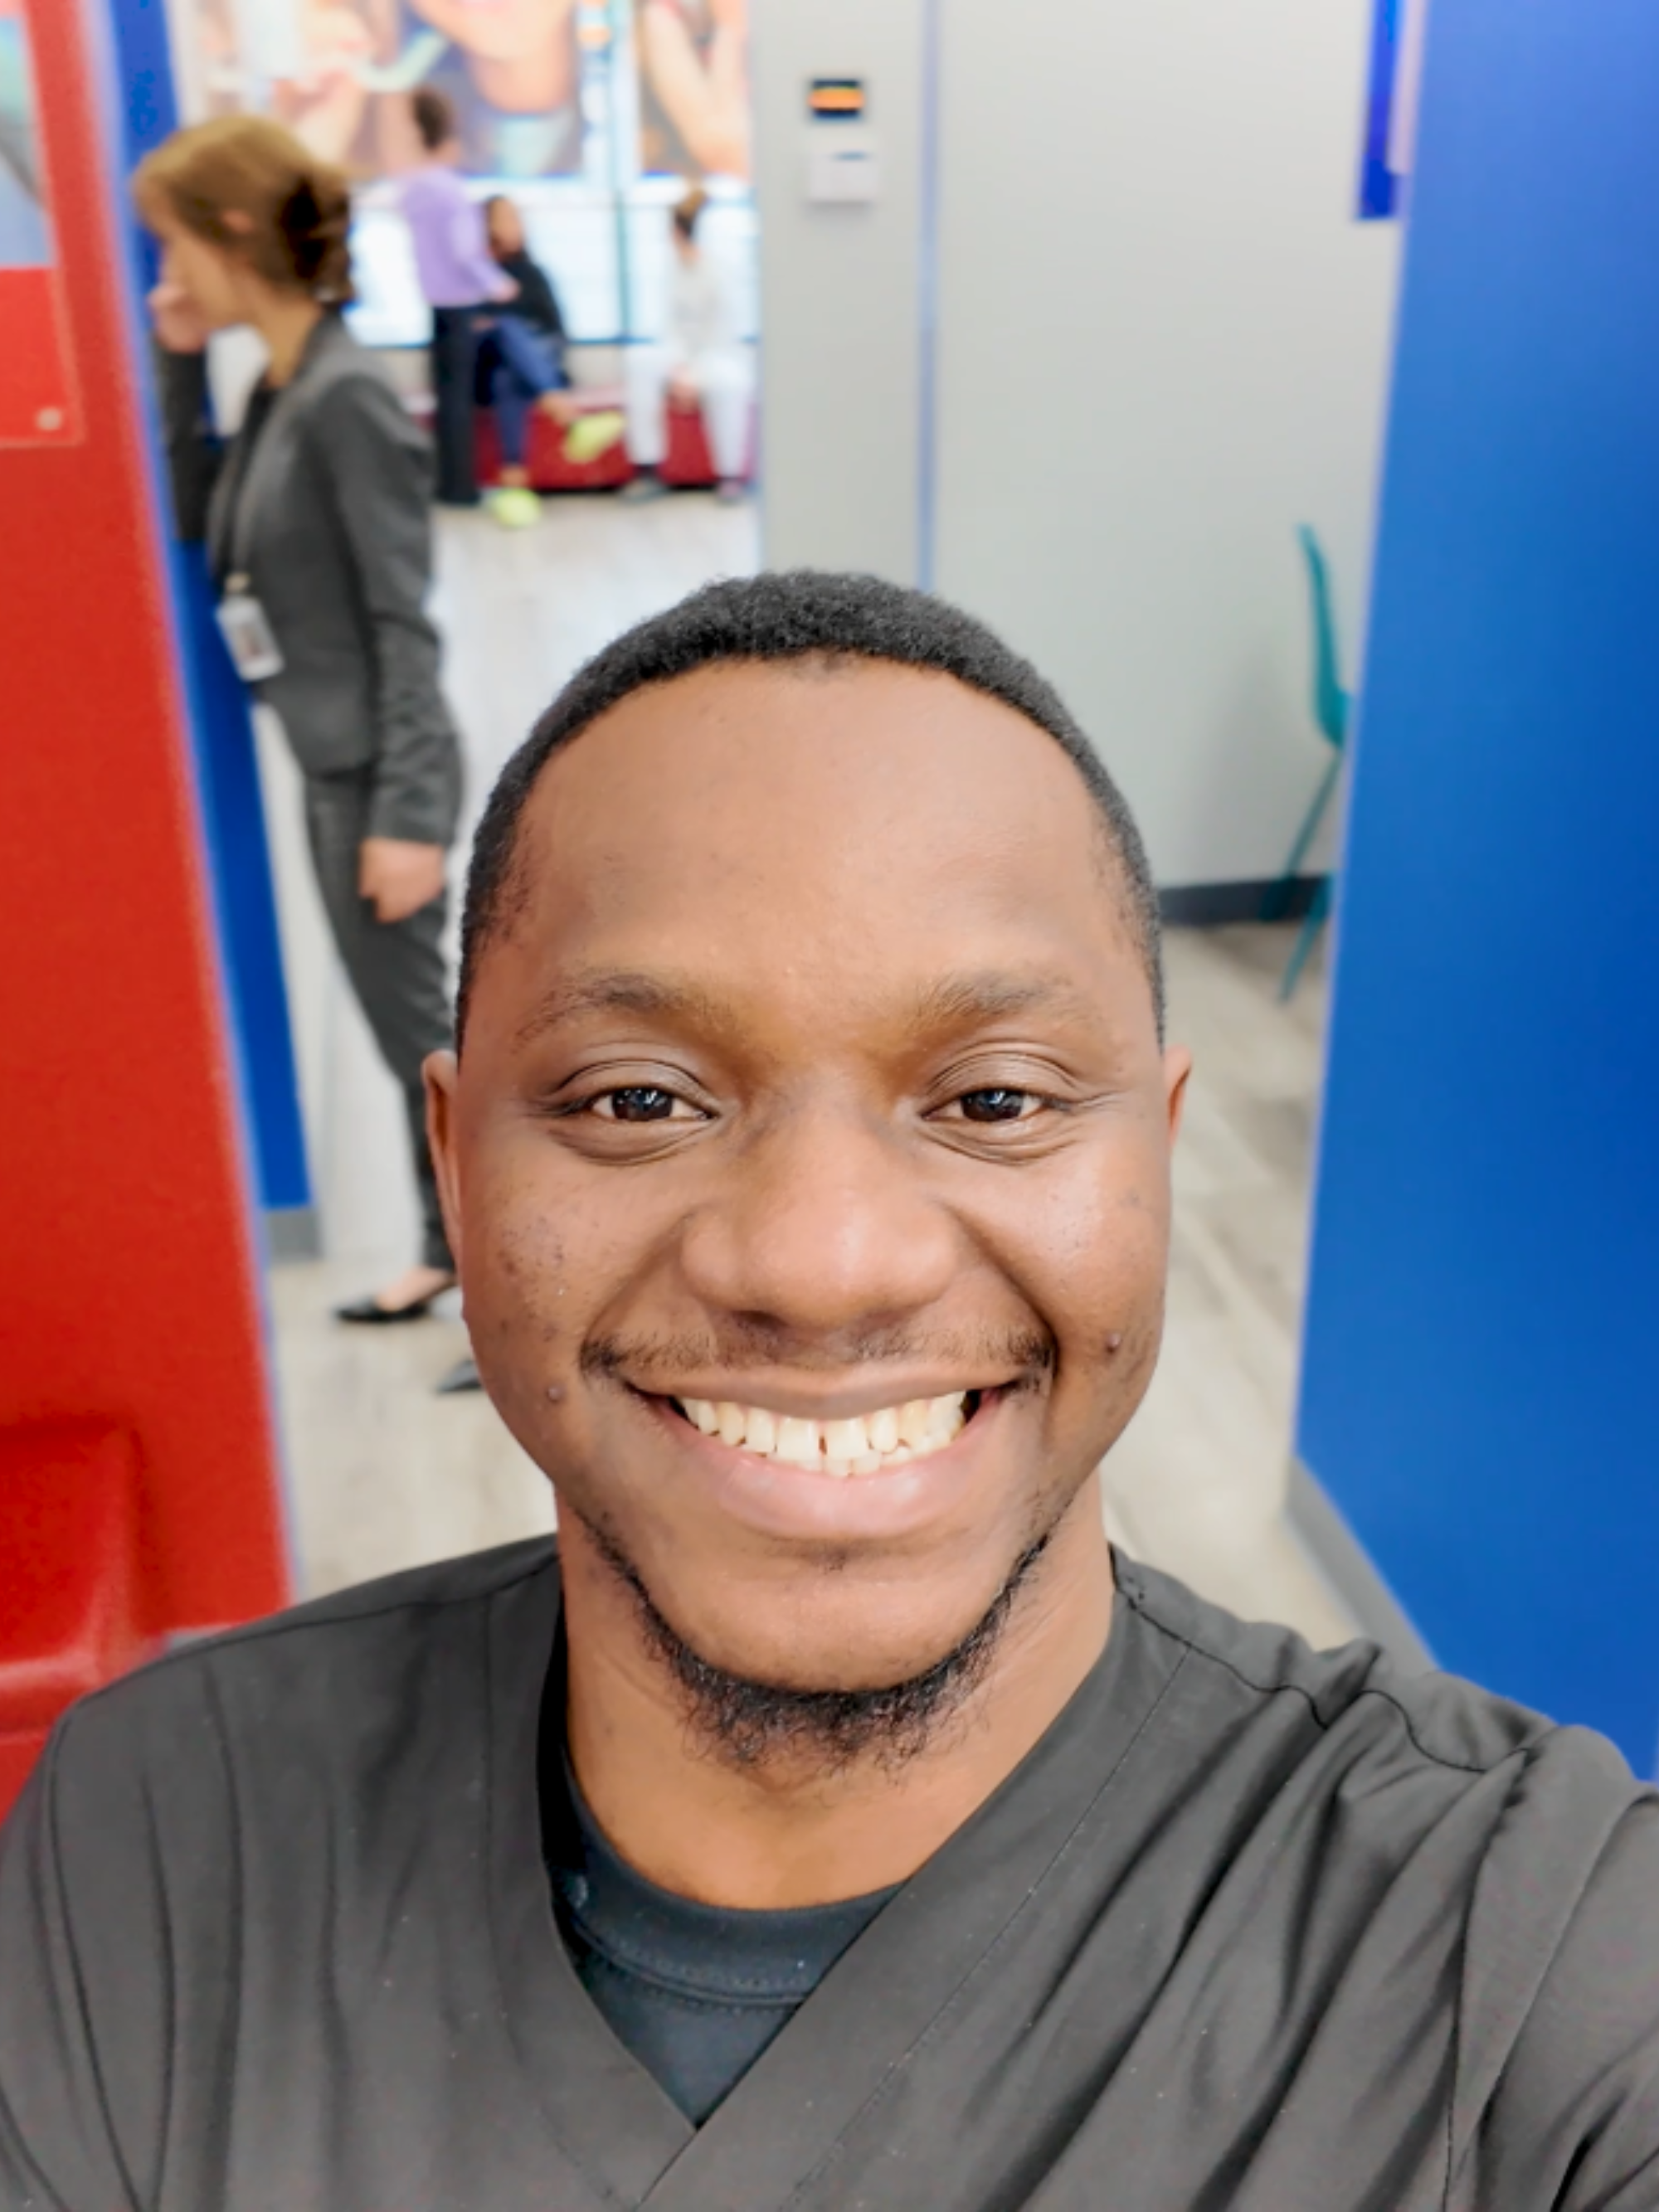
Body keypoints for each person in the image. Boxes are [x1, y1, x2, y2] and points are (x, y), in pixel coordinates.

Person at [3, 571, 1658, 2208]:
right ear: (454, 1159)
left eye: (995, 1097)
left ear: (1155, 1153)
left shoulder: (1540, 1962)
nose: (821, 1259)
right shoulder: (150, 1845)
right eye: (640, 1097)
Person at [134, 115, 463, 1326]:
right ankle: (451, 1251)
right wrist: (175, 361)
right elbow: (196, 517)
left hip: (379, 772)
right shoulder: (286, 381)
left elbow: (406, 621)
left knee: (432, 1053)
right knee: (411, 1044)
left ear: (231, 232)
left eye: (170, 247)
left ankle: (513, 1282)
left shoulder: (346, 396)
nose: (163, 273)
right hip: (339, 760)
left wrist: (411, 815)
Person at [399, 83, 515, 508]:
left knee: (444, 398)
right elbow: (466, 251)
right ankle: (463, 489)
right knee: (458, 402)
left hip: (432, 302)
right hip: (460, 304)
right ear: (449, 139)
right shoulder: (449, 190)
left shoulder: (412, 189)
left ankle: (447, 484)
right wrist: (497, 284)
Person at [621, 184, 752, 503]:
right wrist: (679, 370)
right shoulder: (672, 269)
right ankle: (648, 469)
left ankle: (730, 475)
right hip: (680, 357)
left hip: (718, 358)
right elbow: (668, 328)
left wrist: (693, 375)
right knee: (638, 361)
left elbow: (723, 335)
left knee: (729, 384)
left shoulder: (722, 270)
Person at [476, 192, 577, 529]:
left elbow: (555, 330)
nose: (512, 225)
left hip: (540, 361)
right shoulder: (476, 274)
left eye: (515, 217)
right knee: (506, 335)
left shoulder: (532, 273)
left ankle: (514, 479)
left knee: (510, 372)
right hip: (489, 367)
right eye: (503, 218)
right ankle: (559, 406)